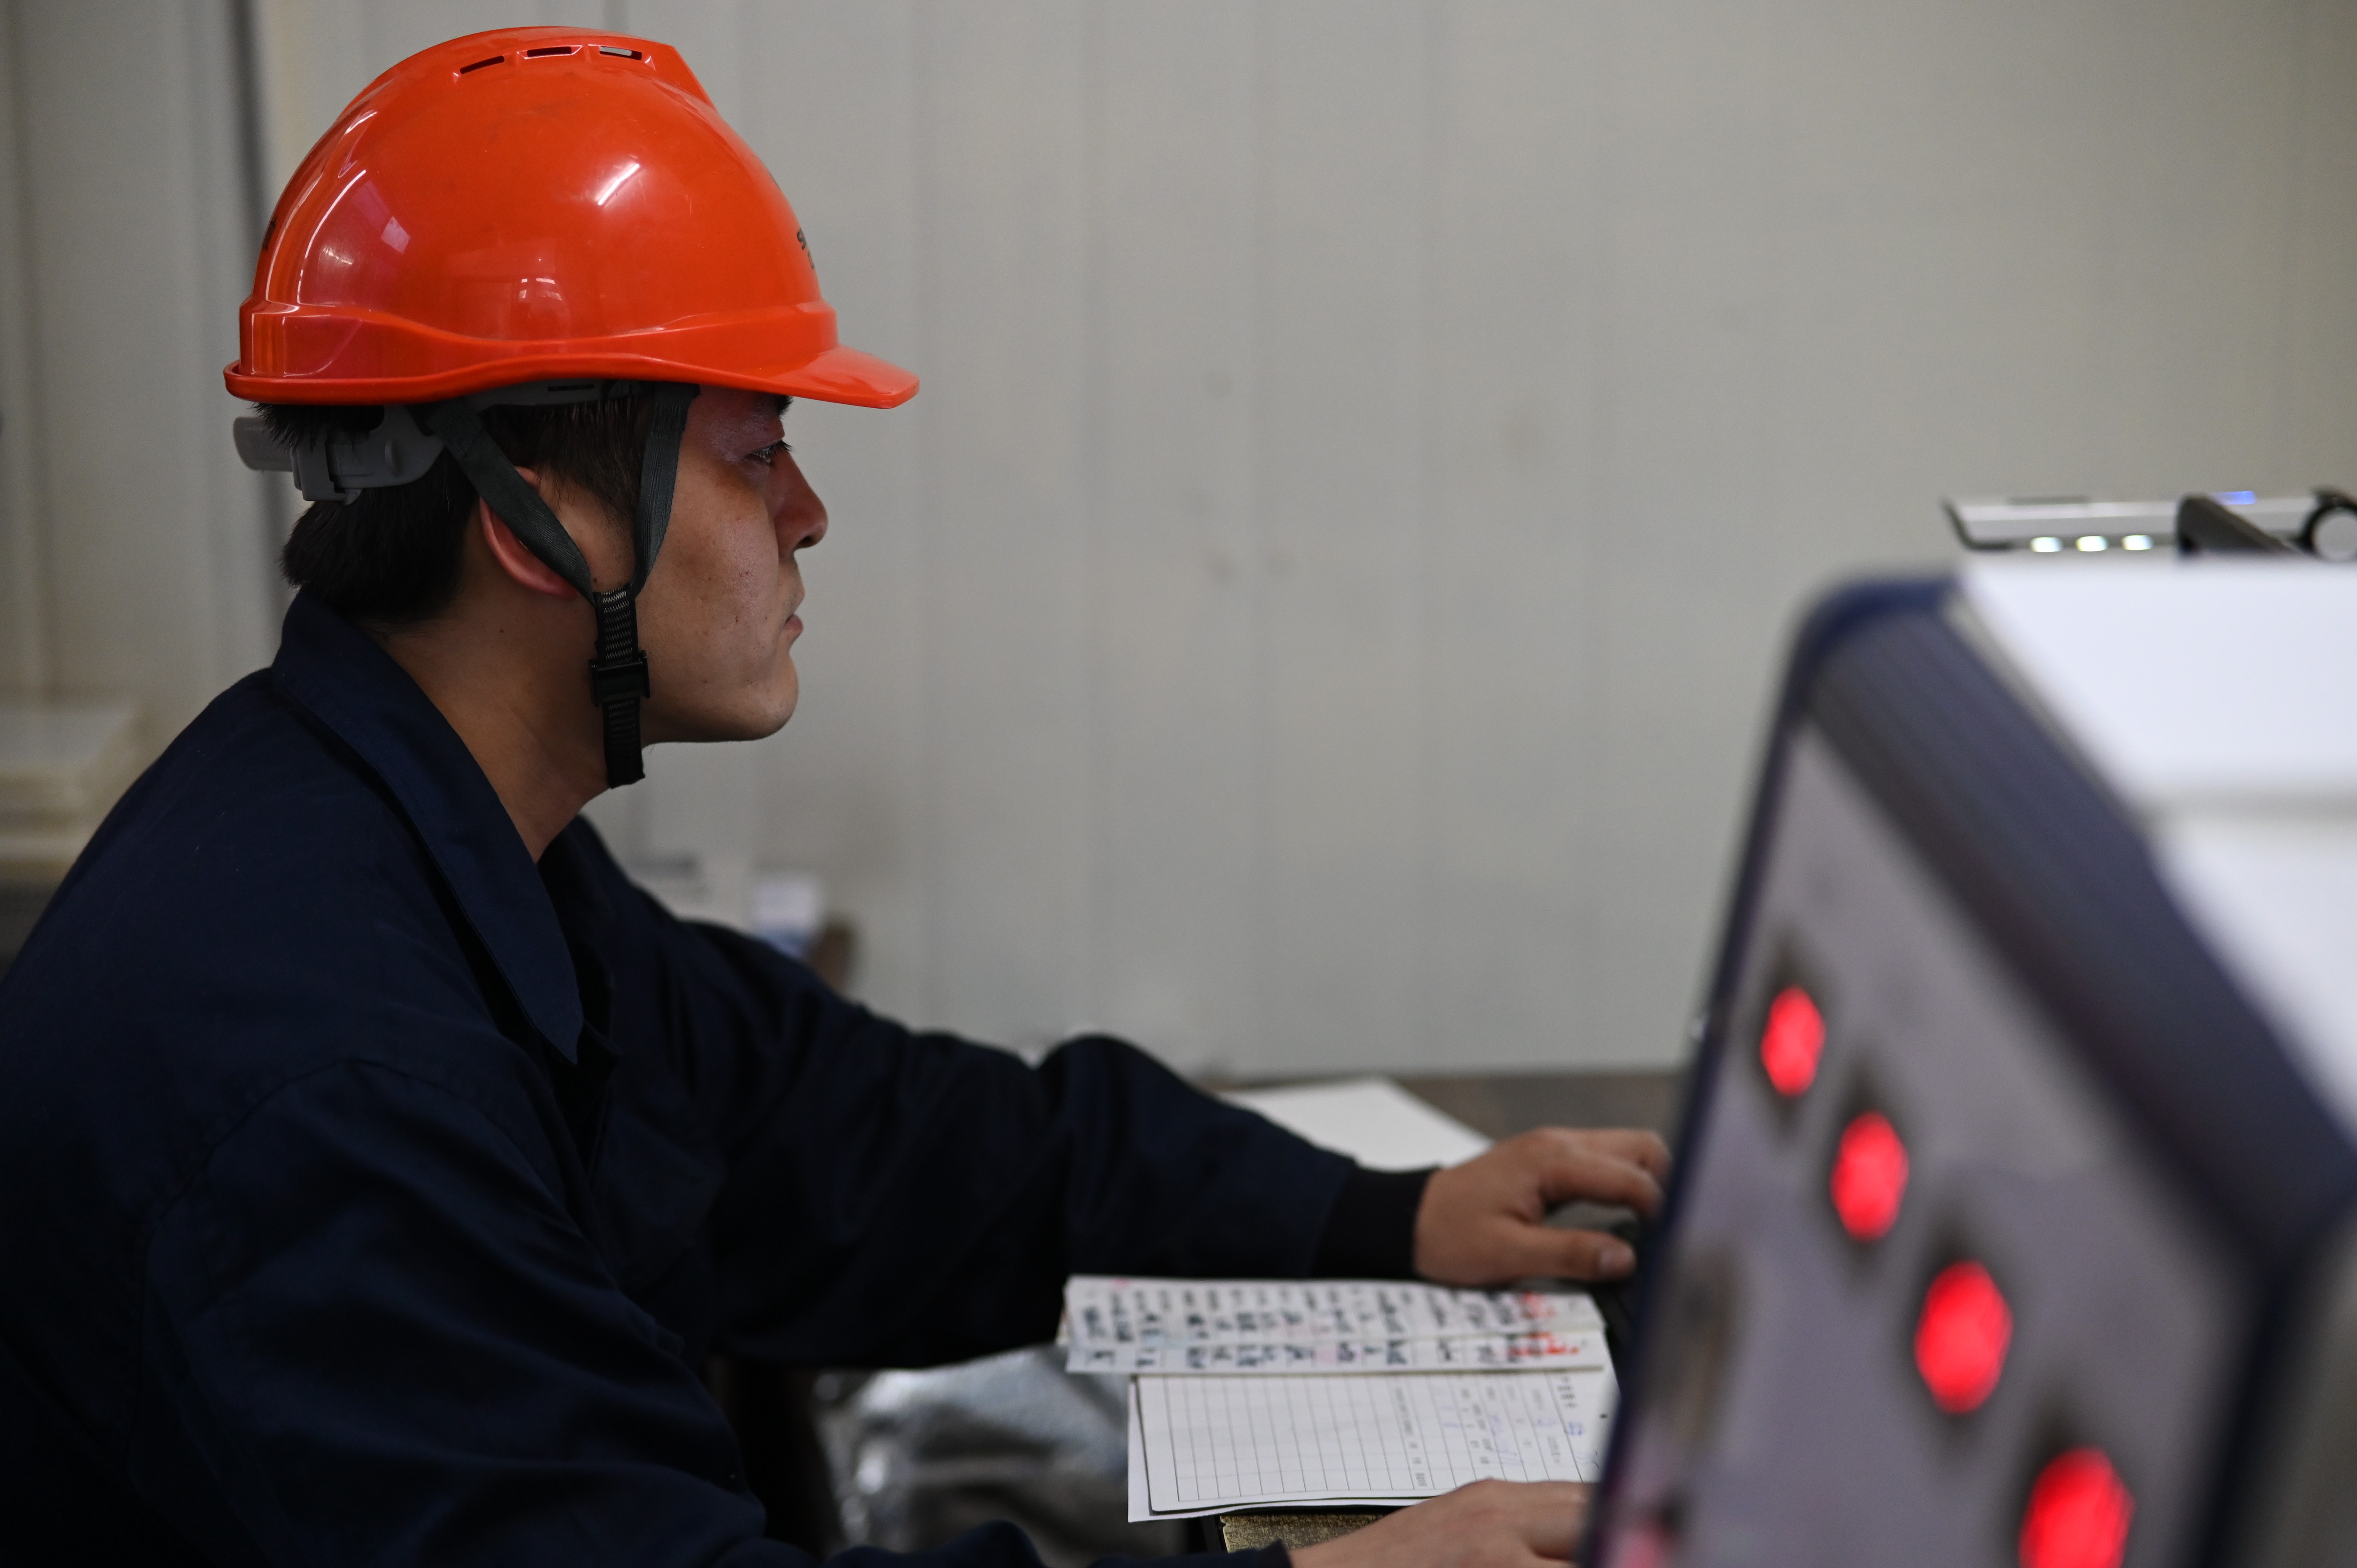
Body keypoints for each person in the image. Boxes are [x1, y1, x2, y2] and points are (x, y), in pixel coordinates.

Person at [0, 27, 1669, 1568]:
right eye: (755, 452)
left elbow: (872, 1141)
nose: (806, 513)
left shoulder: (440, 848)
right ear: (537, 521)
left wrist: (1382, 1215)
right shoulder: (321, 1094)